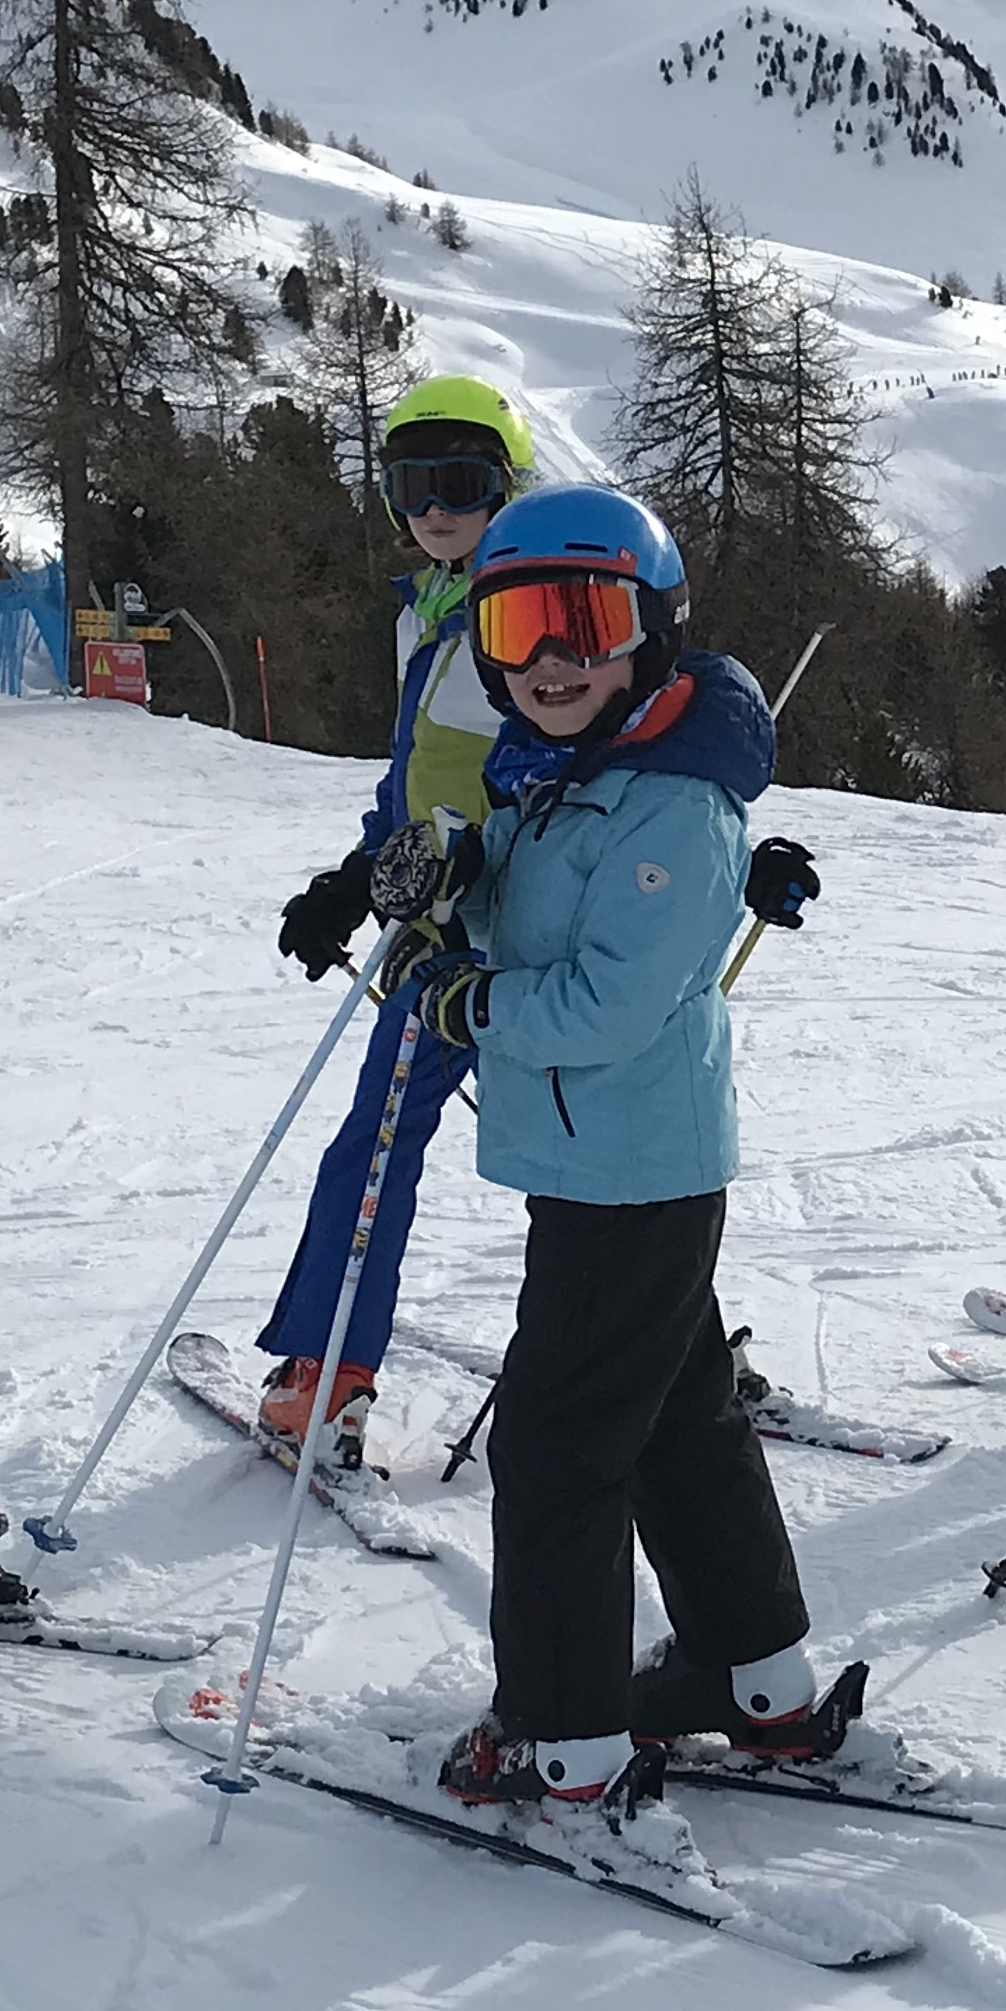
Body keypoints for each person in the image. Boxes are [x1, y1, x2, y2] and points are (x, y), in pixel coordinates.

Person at [373, 483, 845, 1837]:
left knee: (560, 1448)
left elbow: (605, 1006)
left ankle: (566, 1740)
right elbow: (522, 892)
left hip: (629, 1172)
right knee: (680, 1429)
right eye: (520, 624)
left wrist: (466, 1004)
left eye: (586, 622)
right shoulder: (561, 778)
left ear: (652, 631)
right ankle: (757, 1678)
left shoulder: (668, 807)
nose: (551, 658)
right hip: (608, 1167)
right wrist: (444, 878)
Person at [254, 376, 535, 1467]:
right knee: (556, 1154)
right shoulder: (424, 612)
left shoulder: (523, 613)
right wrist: (355, 878)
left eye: (462, 481)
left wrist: (441, 876)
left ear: (507, 486)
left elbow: (551, 776)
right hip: (437, 914)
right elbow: (413, 781)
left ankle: (327, 1374)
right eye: (410, 484)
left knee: (382, 1147)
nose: (434, 506)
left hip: (491, 931)